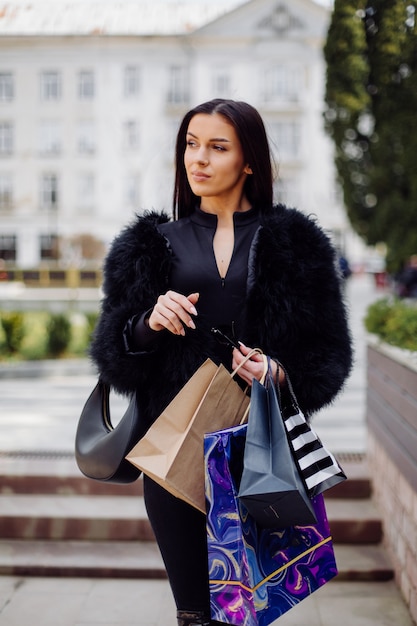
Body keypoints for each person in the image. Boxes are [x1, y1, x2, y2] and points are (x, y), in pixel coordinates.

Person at [90, 99, 353, 626]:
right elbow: (113, 353)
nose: (198, 159)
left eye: (217, 147)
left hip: (256, 451)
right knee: (196, 612)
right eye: (190, 144)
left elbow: (329, 352)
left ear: (249, 160)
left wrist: (277, 373)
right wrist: (149, 321)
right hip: (174, 450)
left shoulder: (296, 243)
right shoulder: (149, 244)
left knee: (247, 612)